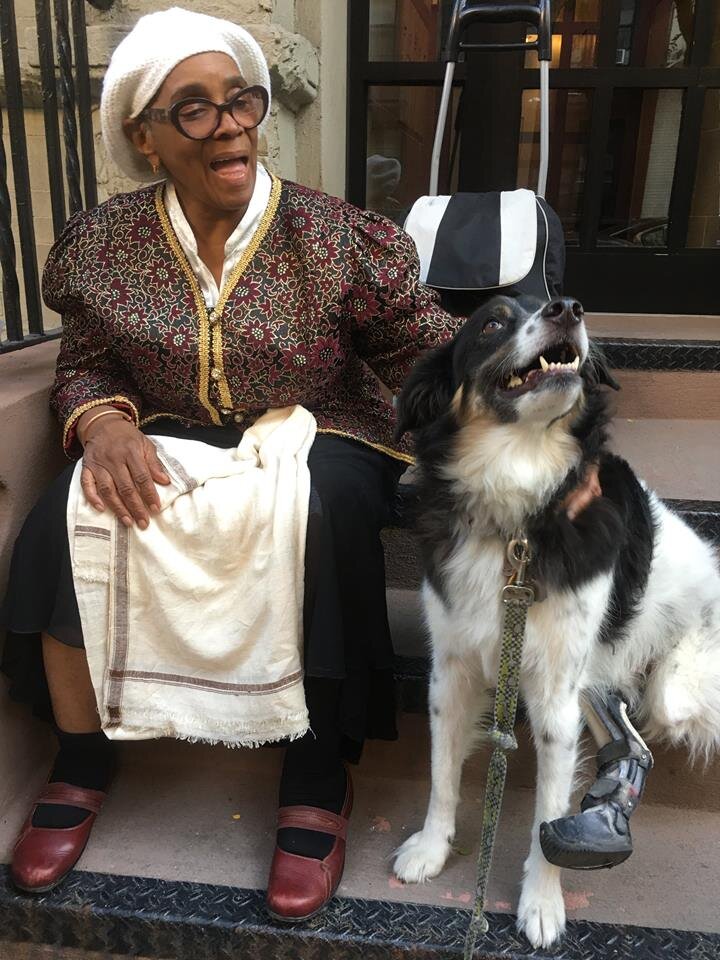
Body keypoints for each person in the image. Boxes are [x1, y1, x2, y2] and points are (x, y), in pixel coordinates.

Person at [0, 6, 616, 922]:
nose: (233, 125)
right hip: (172, 430)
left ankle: (316, 776)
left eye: (239, 102)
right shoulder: (108, 242)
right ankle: (83, 758)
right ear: (146, 136)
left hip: (326, 429)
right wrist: (99, 424)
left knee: (318, 508)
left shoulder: (332, 236)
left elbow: (429, 345)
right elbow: (86, 358)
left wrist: (550, 435)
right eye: (196, 109)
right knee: (64, 513)